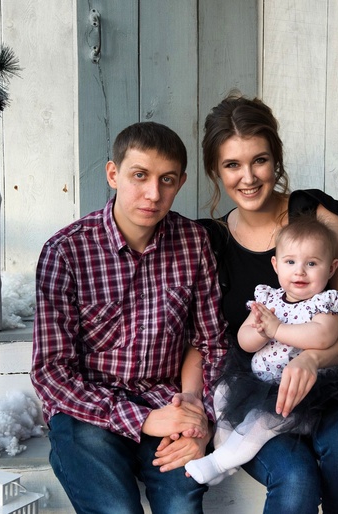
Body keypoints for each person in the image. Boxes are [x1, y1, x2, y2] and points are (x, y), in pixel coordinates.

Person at [196, 93, 338, 514]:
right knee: (297, 478)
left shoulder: (318, 219)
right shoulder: (210, 240)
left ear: (277, 159)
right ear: (215, 170)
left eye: (259, 160)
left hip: (328, 378)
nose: (248, 177)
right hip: (255, 392)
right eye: (232, 165)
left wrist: (313, 359)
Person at [31, 121, 227, 514]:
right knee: (117, 509)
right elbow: (50, 372)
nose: (153, 194)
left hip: (166, 400)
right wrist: (142, 420)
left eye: (167, 180)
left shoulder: (193, 241)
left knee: (182, 502)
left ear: (180, 183)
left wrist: (199, 420)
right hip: (88, 409)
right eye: (140, 175)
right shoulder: (66, 251)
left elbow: (211, 343)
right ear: (113, 174)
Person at [185, 217, 338, 485]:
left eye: (312, 264)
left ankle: (218, 462)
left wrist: (277, 329)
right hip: (257, 382)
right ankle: (226, 452)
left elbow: (322, 336)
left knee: (261, 420)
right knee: (222, 392)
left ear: (331, 268)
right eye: (290, 262)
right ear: (275, 264)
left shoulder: (325, 302)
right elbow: (244, 339)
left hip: (298, 395)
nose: (299, 272)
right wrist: (260, 332)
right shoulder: (267, 298)